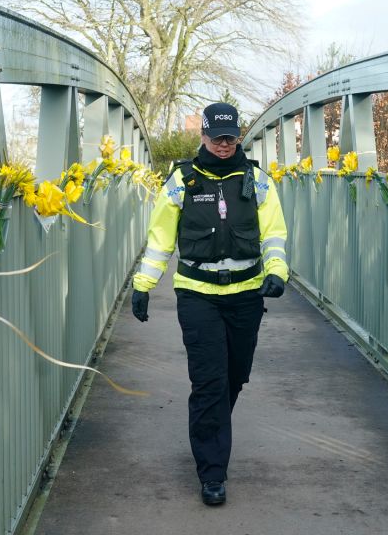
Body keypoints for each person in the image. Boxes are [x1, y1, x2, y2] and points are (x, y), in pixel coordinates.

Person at [130, 102, 288, 506]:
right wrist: (144, 284)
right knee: (209, 382)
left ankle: (211, 432)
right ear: (203, 136)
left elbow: (273, 233)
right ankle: (212, 473)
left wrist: (277, 272)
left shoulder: (257, 180)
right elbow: (161, 237)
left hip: (246, 295)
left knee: (234, 377)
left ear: (238, 137)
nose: (222, 144)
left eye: (230, 137)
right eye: (216, 137)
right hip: (197, 294)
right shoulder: (182, 181)